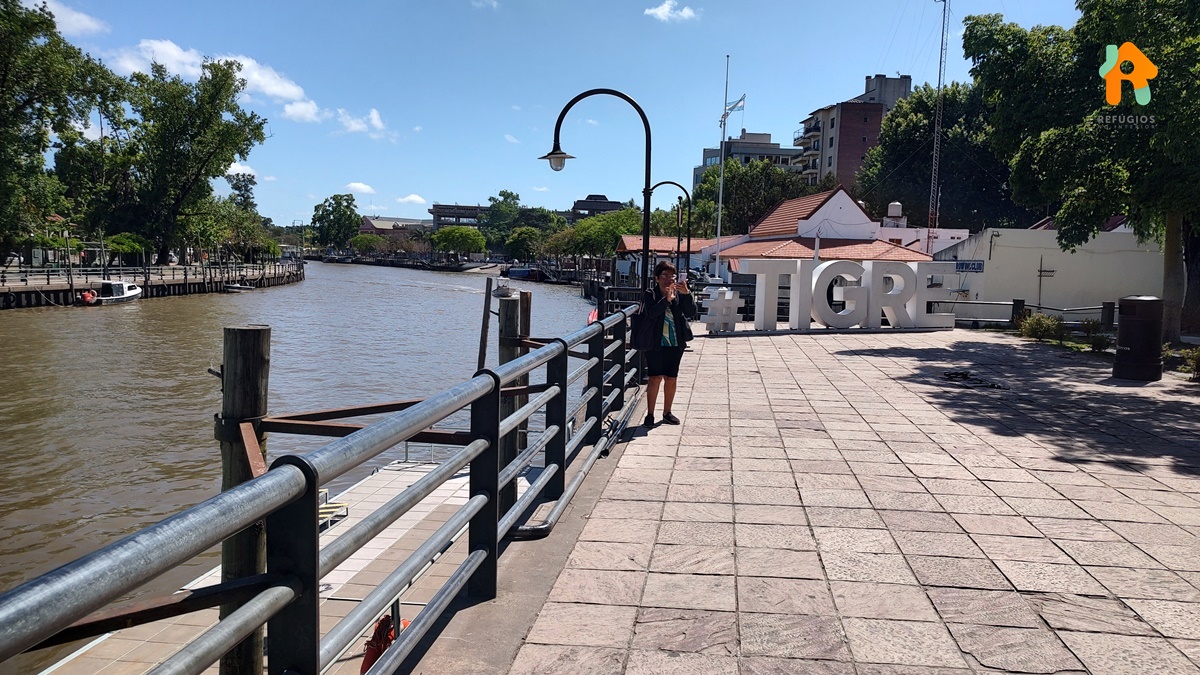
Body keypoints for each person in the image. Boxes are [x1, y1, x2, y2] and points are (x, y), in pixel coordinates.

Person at [641, 260, 696, 427]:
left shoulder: (678, 293)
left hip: (674, 342)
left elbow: (691, 312)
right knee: (655, 378)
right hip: (655, 343)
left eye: (672, 276)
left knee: (671, 378)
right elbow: (650, 313)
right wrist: (666, 300)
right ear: (657, 278)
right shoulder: (650, 294)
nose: (669, 279)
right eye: (665, 276)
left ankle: (667, 412)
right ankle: (650, 414)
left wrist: (686, 294)